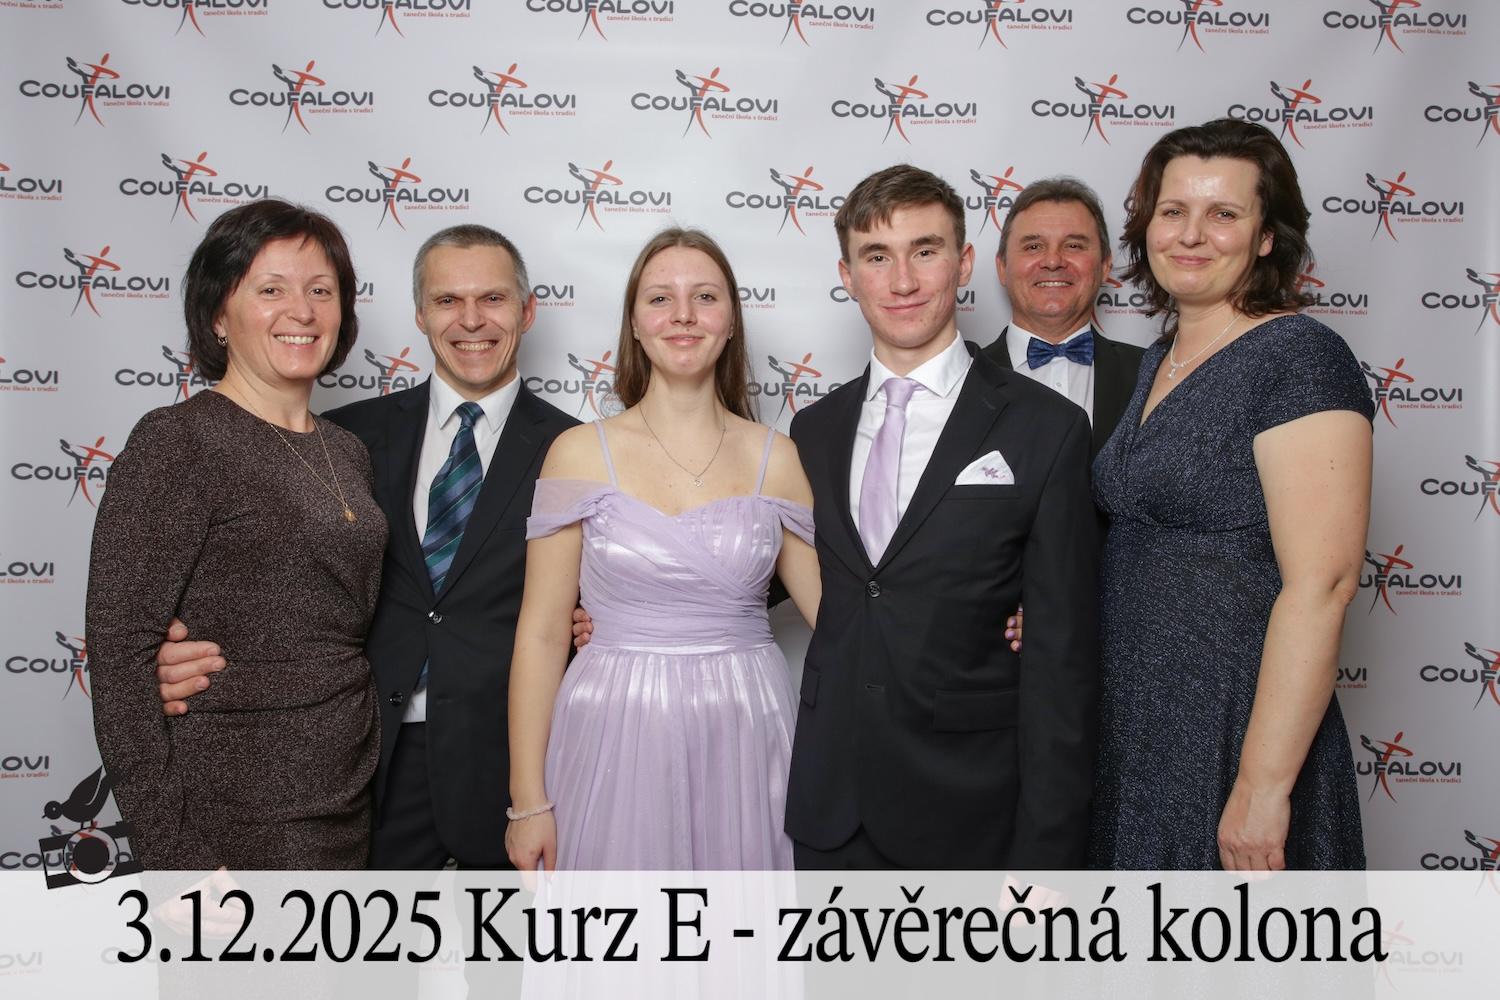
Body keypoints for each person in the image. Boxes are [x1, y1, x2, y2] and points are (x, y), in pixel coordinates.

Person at [151, 224, 578, 870]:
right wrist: (170, 656)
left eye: (492, 299)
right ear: (420, 314)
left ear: (527, 310)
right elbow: (275, 581)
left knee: (507, 941)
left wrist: (609, 622)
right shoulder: (342, 440)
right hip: (360, 767)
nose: (471, 321)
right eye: (447, 301)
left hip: (514, 764)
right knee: (359, 941)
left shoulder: (579, 451)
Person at [785, 165, 1099, 870]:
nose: (902, 281)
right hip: (831, 809)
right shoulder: (814, 430)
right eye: (877, 256)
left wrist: (1047, 858)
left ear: (962, 264)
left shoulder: (1045, 427)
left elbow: (1062, 663)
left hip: (973, 815)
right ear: (847, 275)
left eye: (924, 251)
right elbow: (767, 563)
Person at [1089, 118, 1373, 870]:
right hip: (1137, 725)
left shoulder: (1299, 356)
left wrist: (1262, 787)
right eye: (1173, 210)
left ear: (1267, 236)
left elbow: (1324, 584)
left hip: (1237, 728)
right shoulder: (1160, 361)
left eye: (1223, 214)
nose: (1191, 234)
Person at [504, 228, 820, 871]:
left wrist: (986, 620)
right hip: (612, 726)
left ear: (731, 320)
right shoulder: (577, 453)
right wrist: (527, 802)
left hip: (746, 726)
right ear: (634, 324)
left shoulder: (779, 459)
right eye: (659, 298)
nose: (683, 315)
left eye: (704, 296)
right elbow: (540, 635)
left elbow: (844, 619)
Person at [86, 199, 383, 869]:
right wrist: (173, 856)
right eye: (271, 290)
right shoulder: (178, 442)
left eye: (321, 290)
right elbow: (120, 655)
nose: (302, 311)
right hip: (229, 810)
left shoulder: (346, 451)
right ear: (219, 314)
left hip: (345, 793)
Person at [981, 177, 1145, 455]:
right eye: (1033, 246)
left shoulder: (1151, 375)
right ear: (1002, 268)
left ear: (1105, 266)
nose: (1053, 261)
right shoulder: (964, 379)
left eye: (1074, 246)